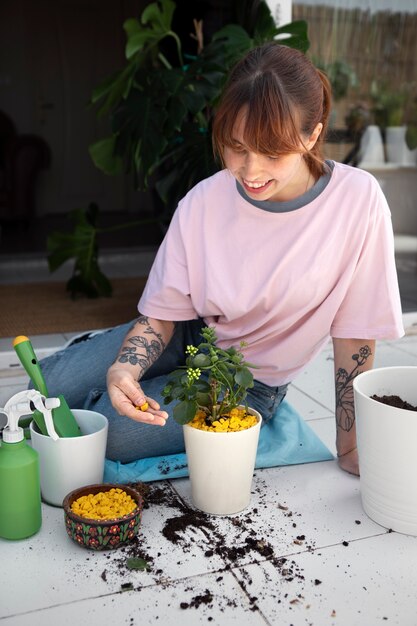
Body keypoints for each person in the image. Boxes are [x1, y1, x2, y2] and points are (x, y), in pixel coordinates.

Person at [39, 43, 404, 476]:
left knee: (109, 432)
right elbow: (161, 316)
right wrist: (124, 366)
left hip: (249, 382)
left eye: (272, 153)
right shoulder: (203, 203)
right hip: (190, 333)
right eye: (236, 147)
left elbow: (356, 336)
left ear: (311, 136)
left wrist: (351, 447)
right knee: (46, 388)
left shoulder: (357, 202)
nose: (250, 171)